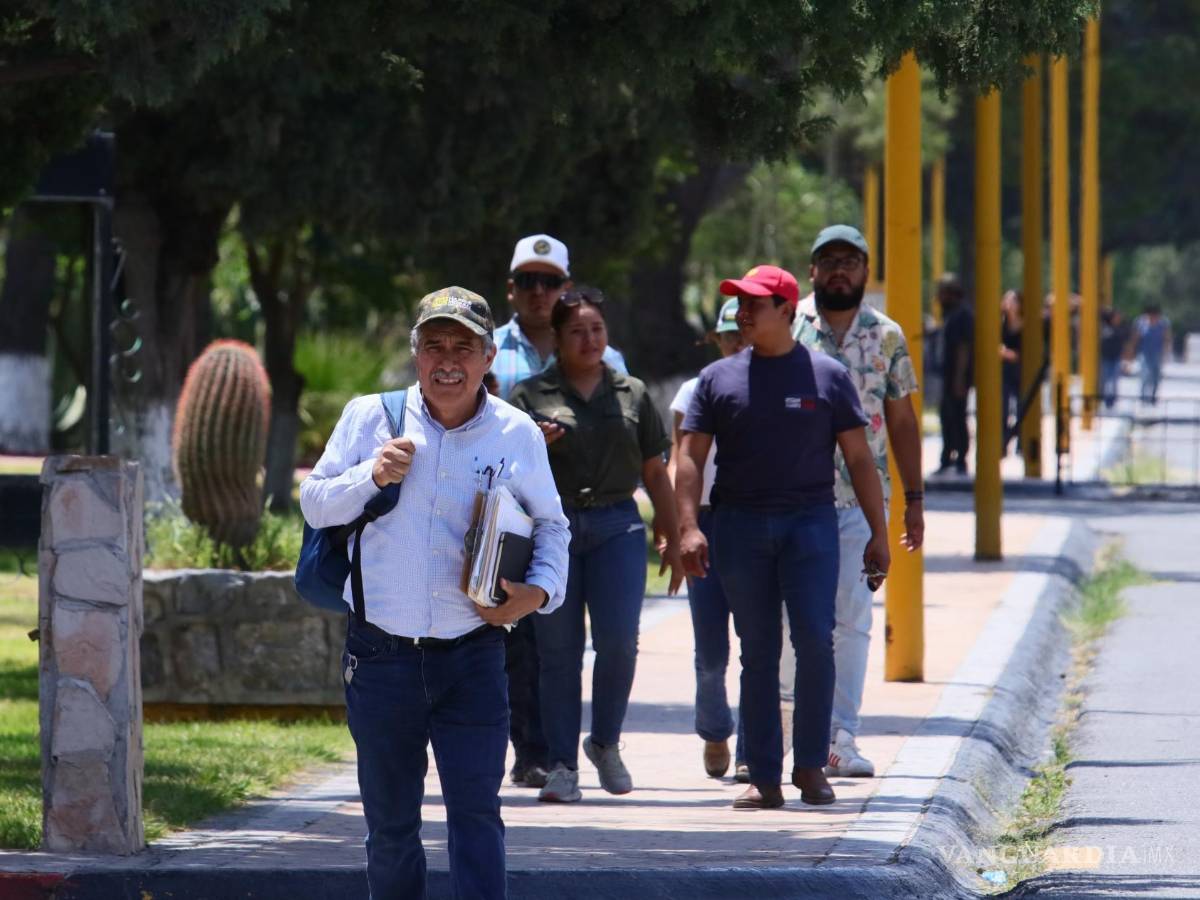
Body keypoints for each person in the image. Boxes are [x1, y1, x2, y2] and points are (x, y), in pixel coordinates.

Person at [299, 286, 570, 900]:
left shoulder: (516, 432)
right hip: (380, 656)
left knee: (476, 819)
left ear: (488, 357)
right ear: (416, 353)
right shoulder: (369, 417)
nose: (448, 361)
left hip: (472, 656)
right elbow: (314, 504)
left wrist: (537, 593)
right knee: (391, 828)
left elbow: (552, 525)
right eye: (435, 345)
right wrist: (371, 475)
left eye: (463, 348)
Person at [676, 264, 890, 811]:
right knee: (758, 651)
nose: (743, 312)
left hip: (810, 524)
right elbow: (690, 458)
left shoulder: (827, 376)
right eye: (740, 302)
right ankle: (765, 776)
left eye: (755, 303)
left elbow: (859, 459)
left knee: (816, 640)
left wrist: (879, 533)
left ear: (788, 311)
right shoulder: (718, 379)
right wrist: (688, 527)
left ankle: (811, 766)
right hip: (740, 525)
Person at [508, 286, 684, 803]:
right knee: (557, 653)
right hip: (552, 529)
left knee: (619, 643)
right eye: (577, 331)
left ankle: (605, 742)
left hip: (617, 527)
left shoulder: (633, 392)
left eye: (597, 330)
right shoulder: (527, 396)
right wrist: (532, 445)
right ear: (557, 339)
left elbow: (656, 470)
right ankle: (562, 765)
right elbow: (502, 471)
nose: (589, 340)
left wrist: (673, 536)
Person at [490, 233, 627, 789]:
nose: (539, 292)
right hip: (510, 513)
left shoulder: (604, 355)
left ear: (565, 287)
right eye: (528, 281)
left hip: (583, 515)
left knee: (568, 640)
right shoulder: (488, 350)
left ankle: (561, 751)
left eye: (549, 282)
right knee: (517, 639)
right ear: (511, 288)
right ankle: (531, 751)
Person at [791, 225, 924, 779]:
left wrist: (913, 500)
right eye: (829, 261)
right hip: (793, 496)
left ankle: (841, 735)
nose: (840, 270)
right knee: (792, 619)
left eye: (850, 261)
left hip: (860, 504)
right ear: (813, 270)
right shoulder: (789, 326)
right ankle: (784, 733)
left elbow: (902, 421)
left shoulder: (887, 335)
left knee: (852, 619)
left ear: (867, 271)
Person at [667, 297, 748, 781]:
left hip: (753, 518)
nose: (737, 344)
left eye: (744, 333)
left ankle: (753, 750)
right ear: (716, 340)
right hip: (705, 523)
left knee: (760, 645)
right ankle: (716, 730)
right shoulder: (693, 390)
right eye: (729, 336)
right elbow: (679, 460)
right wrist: (677, 525)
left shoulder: (769, 385)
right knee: (712, 648)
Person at [934, 273, 973, 475]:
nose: (938, 298)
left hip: (956, 376)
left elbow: (963, 348)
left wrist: (959, 378)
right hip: (949, 375)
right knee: (947, 416)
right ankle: (948, 456)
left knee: (957, 416)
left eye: (941, 293)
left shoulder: (961, 315)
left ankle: (960, 458)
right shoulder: (951, 314)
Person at [1131, 304, 1172, 405]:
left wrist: (1166, 352)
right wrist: (1131, 350)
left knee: (1155, 376)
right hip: (1144, 353)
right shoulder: (1141, 322)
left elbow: (1166, 337)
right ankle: (1143, 397)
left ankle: (1153, 396)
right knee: (1145, 374)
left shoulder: (1163, 323)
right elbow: (1136, 337)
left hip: (1157, 353)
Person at [1000, 290, 1023, 455]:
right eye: (1006, 300)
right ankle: (1003, 443)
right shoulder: (1000, 324)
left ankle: (1021, 443)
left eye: (1013, 300)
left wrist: (1010, 354)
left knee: (1022, 407)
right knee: (1003, 408)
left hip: (1021, 370)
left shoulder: (1025, 325)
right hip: (1005, 370)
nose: (1009, 304)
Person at [1099, 307, 1129, 408]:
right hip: (1105, 358)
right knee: (1105, 380)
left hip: (1116, 358)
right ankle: (1104, 400)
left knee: (1114, 381)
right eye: (1116, 317)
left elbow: (1125, 345)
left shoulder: (1122, 329)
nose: (1118, 319)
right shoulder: (1105, 327)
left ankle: (1111, 401)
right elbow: (1101, 314)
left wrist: (1126, 361)